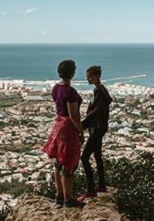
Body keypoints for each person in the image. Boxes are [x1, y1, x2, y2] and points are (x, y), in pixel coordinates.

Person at [42, 60, 85, 208]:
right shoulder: (70, 92)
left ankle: (59, 196)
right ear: (72, 73)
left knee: (58, 162)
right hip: (67, 128)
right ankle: (68, 199)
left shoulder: (55, 88)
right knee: (68, 162)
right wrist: (81, 132)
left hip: (57, 125)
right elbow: (73, 115)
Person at [78, 65, 113, 202]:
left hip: (97, 128)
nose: (87, 79)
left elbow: (95, 112)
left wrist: (81, 125)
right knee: (97, 156)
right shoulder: (101, 90)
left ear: (97, 76)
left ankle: (91, 189)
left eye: (90, 76)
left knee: (85, 158)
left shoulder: (99, 91)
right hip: (100, 127)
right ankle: (102, 185)